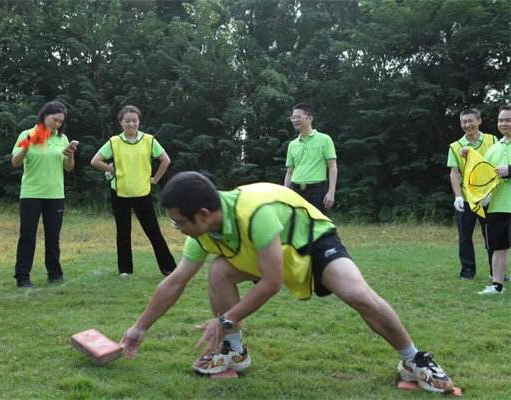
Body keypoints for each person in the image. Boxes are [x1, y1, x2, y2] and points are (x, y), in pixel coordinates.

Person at [120, 171, 455, 394]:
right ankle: (234, 351)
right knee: (219, 270)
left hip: (312, 241)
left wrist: (224, 319)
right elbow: (175, 282)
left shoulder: (254, 212)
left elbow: (271, 282)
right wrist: (139, 328)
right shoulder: (203, 233)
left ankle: (414, 360)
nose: (176, 227)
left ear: (204, 215)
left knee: (358, 294)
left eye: (179, 222)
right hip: (269, 251)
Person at [91, 105, 176, 277]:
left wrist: (155, 179)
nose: (131, 124)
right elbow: (95, 160)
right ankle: (125, 271)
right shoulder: (114, 142)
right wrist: (112, 169)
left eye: (134, 121)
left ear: (139, 122)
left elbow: (165, 160)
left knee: (153, 231)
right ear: (121, 123)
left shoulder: (149, 140)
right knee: (122, 232)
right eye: (127, 121)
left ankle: (169, 268)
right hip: (120, 193)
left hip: (142, 193)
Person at [11, 100, 76, 288]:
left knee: (53, 236)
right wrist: (26, 147)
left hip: (55, 194)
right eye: (55, 120)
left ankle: (55, 274)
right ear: (45, 115)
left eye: (60, 122)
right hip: (31, 193)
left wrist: (70, 155)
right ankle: (22, 276)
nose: (57, 124)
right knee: (27, 235)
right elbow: (15, 162)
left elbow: (68, 168)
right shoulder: (28, 134)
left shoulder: (62, 139)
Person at [447, 108, 497, 279]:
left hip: (489, 198)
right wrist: (458, 196)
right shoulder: (456, 146)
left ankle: (496, 271)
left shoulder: (492, 140)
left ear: (479, 121)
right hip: (467, 199)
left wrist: (491, 192)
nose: (467, 125)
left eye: (470, 121)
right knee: (465, 237)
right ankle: (467, 270)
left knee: (492, 236)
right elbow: (454, 172)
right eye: (463, 122)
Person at [477, 105, 511, 294]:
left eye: (508, 120)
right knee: (498, 247)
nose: (503, 123)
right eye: (501, 120)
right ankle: (497, 286)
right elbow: (484, 174)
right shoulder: (494, 148)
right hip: (496, 206)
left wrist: (510, 170)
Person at [283, 103, 337, 214]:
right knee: (297, 227)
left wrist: (331, 191)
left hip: (316, 192)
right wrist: (285, 194)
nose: (295, 120)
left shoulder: (325, 139)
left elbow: (332, 167)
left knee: (317, 228)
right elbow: (289, 173)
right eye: (293, 117)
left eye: (298, 117)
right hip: (295, 191)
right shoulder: (292, 145)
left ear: (310, 118)